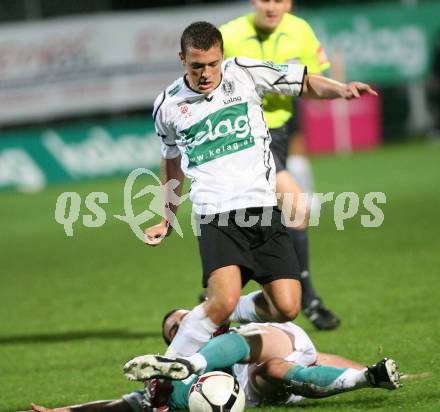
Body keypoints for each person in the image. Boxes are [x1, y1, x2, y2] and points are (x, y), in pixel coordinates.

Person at [144, 21, 377, 359]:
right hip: (216, 214)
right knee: (220, 302)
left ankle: (227, 311)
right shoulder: (167, 105)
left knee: (286, 306)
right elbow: (171, 161)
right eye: (197, 66)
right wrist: (166, 217)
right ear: (182, 59)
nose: (206, 73)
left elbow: (303, 82)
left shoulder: (244, 73)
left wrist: (340, 90)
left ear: (222, 56)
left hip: (263, 208)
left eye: (213, 64)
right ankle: (163, 378)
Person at [217, 0, 340, 330]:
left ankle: (221, 301)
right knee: (291, 207)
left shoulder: (299, 30)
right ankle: (305, 299)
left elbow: (311, 84)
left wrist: (338, 91)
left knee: (268, 215)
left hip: (279, 133)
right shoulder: (229, 35)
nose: (272, 6)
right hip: (243, 135)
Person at [29, 312, 401, 412]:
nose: (181, 323)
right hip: (267, 380)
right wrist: (66, 411)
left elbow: (322, 355)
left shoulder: (229, 316)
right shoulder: (168, 379)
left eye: (182, 317)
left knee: (251, 343)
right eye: (174, 328)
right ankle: (366, 380)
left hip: (271, 338)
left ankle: (368, 376)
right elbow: (127, 404)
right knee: (270, 370)